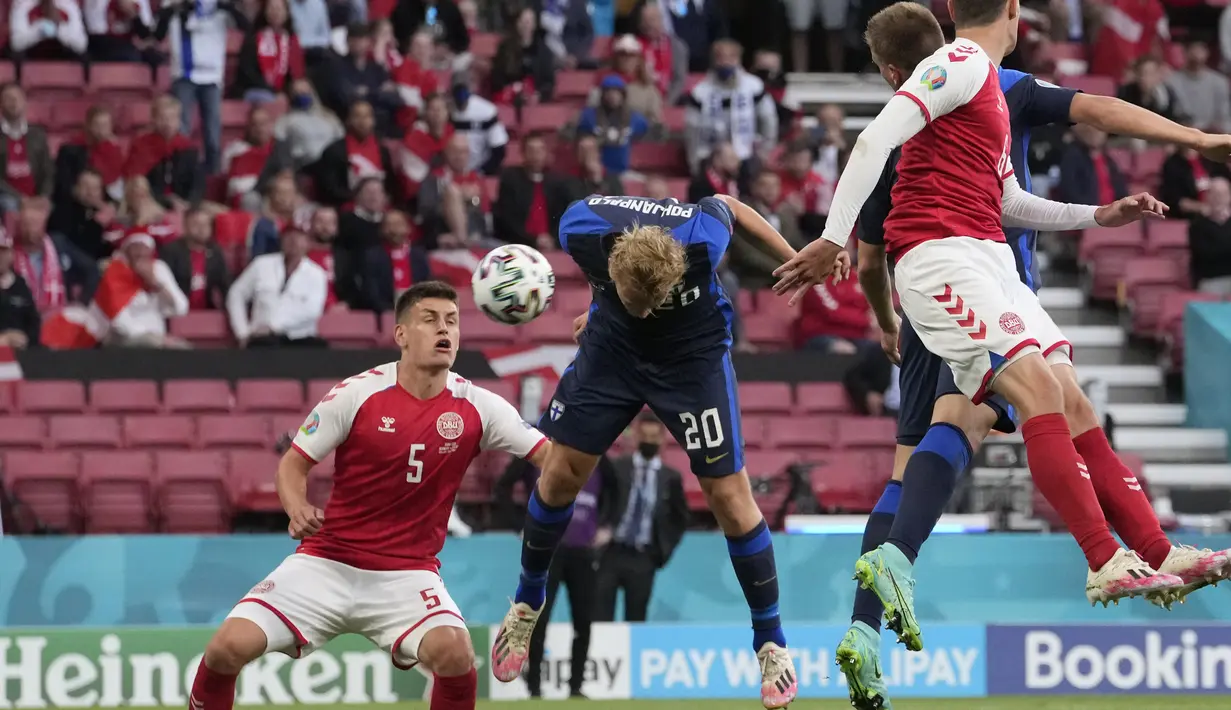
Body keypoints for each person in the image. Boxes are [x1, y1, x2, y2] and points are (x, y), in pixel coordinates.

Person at [770, 3, 1231, 707]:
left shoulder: (983, 84)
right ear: (1013, 12)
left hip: (987, 260)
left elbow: (1006, 195)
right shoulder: (953, 64)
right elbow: (870, 142)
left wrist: (1094, 217)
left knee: (1067, 397)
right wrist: (832, 237)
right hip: (941, 262)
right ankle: (1103, 560)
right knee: (1027, 399)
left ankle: (1156, 549)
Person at [490, 193, 804, 709]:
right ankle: (526, 602)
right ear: (610, 266)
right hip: (613, 351)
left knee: (730, 498)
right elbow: (610, 289)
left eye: (649, 302)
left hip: (691, 359)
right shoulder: (581, 227)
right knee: (560, 473)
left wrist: (792, 257)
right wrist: (603, 308)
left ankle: (771, 642)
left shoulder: (704, 240)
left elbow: (729, 203)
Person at [193, 281, 550, 710]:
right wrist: (297, 506)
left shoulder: (479, 406)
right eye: (431, 319)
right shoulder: (358, 393)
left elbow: (553, 458)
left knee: (455, 654)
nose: (445, 330)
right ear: (401, 334)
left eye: (452, 322)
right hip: (326, 564)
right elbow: (294, 462)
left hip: (408, 574)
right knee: (225, 649)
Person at [493, 452, 615, 698]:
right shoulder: (539, 445)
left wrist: (606, 525)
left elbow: (617, 491)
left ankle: (576, 686)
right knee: (539, 618)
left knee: (583, 620)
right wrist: (519, 525)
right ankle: (534, 687)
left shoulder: (597, 450)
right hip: (548, 549)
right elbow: (503, 486)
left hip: (583, 551)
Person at [594, 412, 688, 623]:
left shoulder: (670, 478)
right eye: (644, 435)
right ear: (636, 436)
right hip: (611, 552)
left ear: (662, 439)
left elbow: (680, 518)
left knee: (636, 617)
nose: (648, 440)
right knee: (600, 615)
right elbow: (600, 501)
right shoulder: (617, 468)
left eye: (654, 436)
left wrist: (661, 551)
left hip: (644, 556)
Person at [147, 0, 251, 175]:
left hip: (212, 76)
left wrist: (226, 6)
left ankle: (213, 176)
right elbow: (157, 34)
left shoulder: (217, 5)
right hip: (183, 75)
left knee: (212, 133)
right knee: (181, 129)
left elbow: (245, 26)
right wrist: (175, 9)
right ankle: (178, 174)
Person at [226, 226, 328, 347]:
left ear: (308, 243)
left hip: (300, 338)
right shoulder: (261, 264)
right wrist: (242, 332)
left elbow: (312, 309)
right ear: (281, 241)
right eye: (289, 237)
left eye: (299, 237)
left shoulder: (317, 274)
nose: (293, 241)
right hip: (262, 339)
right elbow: (236, 294)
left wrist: (273, 326)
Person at [492, 133, 569, 250]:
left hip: (552, 245)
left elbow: (562, 216)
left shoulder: (557, 183)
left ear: (546, 153)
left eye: (540, 151)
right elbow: (507, 218)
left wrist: (552, 239)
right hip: (517, 243)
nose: (536, 156)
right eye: (531, 151)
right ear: (523, 153)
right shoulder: (511, 179)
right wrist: (534, 240)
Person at [231, 0, 304, 104]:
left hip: (283, 92)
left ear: (287, 13)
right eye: (272, 8)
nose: (275, 12)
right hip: (255, 89)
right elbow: (248, 73)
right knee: (270, 100)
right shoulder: (254, 39)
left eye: (279, 9)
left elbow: (294, 74)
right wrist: (273, 90)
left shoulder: (291, 41)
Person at [160, 207, 231, 310]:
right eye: (196, 224)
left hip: (207, 311)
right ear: (185, 226)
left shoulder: (215, 251)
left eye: (206, 225)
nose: (202, 229)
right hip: (177, 311)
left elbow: (225, 284)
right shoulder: (171, 251)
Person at [0, 83, 54, 215]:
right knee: (10, 205)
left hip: (36, 196)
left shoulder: (38, 134)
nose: (14, 102)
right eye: (8, 98)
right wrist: (20, 198)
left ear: (25, 102)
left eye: (17, 98)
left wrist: (44, 196)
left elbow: (48, 171)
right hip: (8, 197)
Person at [1189, 176, 1231, 294]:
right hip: (1210, 280)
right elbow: (1205, 254)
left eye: (1223, 194)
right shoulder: (1198, 225)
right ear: (1208, 197)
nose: (1219, 198)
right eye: (1215, 194)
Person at [0, 228, 41, 350]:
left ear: (11, 254)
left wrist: (26, 338)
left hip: (21, 356)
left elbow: (33, 321)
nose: (1, 257)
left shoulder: (20, 285)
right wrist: (4, 339)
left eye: (4, 251)